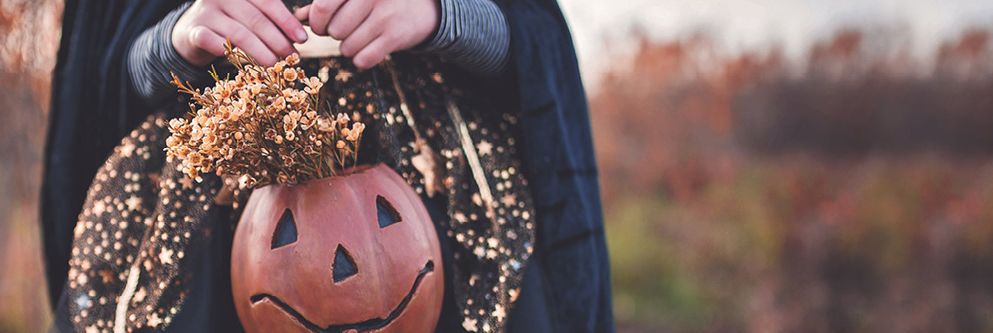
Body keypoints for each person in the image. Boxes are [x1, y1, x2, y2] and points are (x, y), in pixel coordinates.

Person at [41, 0, 613, 331]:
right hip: (210, 216)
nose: (342, 268)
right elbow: (111, 76)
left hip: (447, 194)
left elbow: (530, 44)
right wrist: (181, 35)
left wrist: (443, 14)